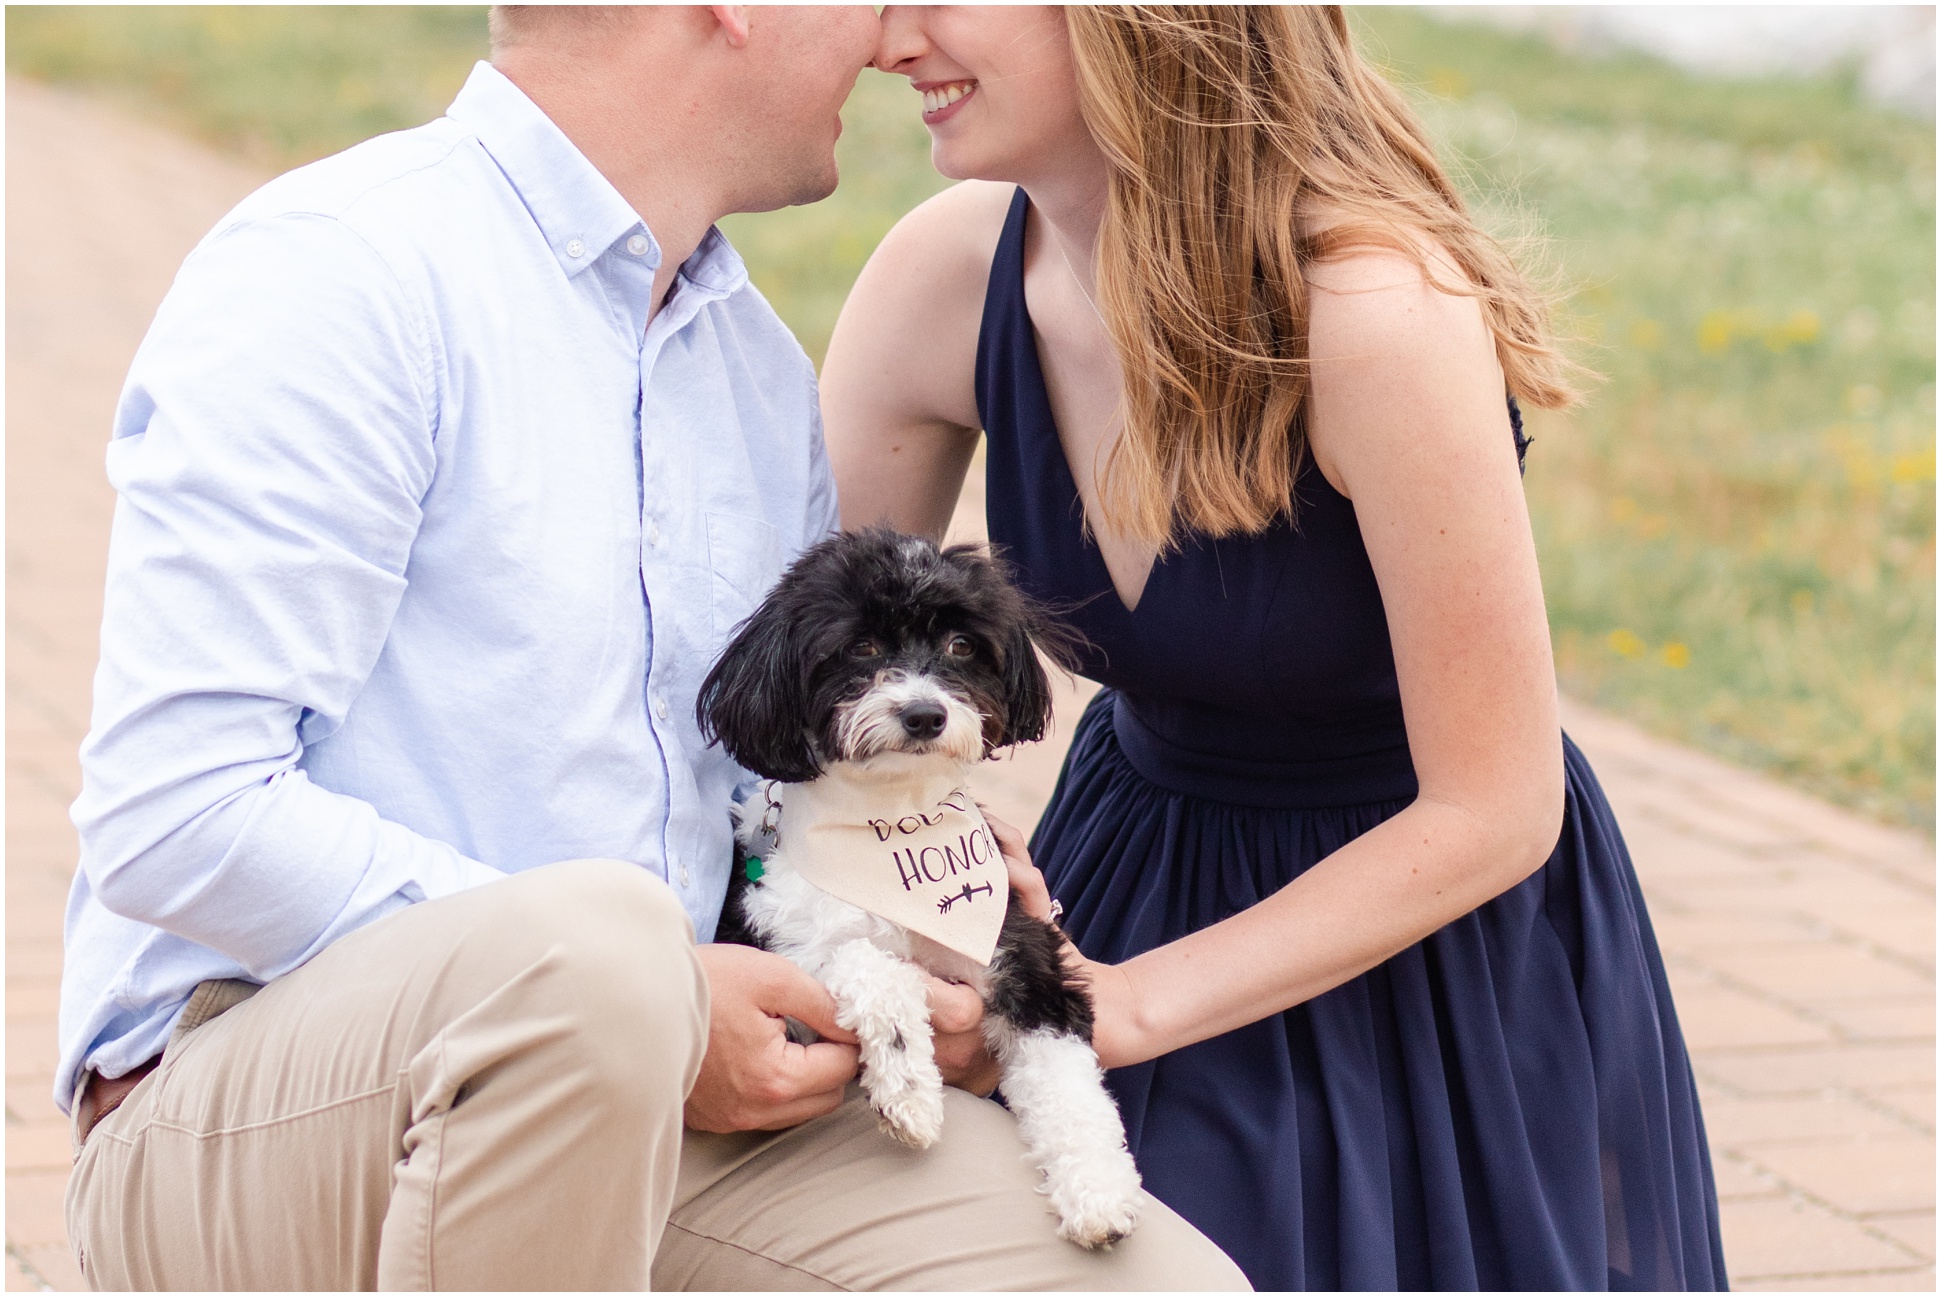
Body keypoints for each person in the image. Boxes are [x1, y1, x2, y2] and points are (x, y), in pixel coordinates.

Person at [58, 6, 1249, 1289]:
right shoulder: (346, 270)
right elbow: (176, 812)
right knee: (603, 953)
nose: (892, 30)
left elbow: (763, 774)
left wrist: (915, 874)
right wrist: (651, 995)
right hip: (263, 1099)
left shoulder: (754, 371)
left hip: (676, 1100)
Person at [826, 6, 1727, 1290]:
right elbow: (805, 689)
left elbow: (1497, 805)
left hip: (1418, 939)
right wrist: (926, 902)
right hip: (1126, 863)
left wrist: (1123, 1004)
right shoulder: (947, 277)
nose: (889, 35)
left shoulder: (1376, 311)